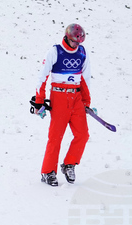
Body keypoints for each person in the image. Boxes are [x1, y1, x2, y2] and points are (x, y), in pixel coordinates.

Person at [30, 23, 92, 186]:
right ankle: (48, 172)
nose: (77, 45)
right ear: (67, 37)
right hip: (59, 97)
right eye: (74, 42)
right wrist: (39, 100)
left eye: (79, 43)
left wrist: (86, 101)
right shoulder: (55, 51)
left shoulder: (82, 53)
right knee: (55, 137)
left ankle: (69, 164)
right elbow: (42, 77)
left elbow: (85, 78)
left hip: (76, 97)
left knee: (83, 134)